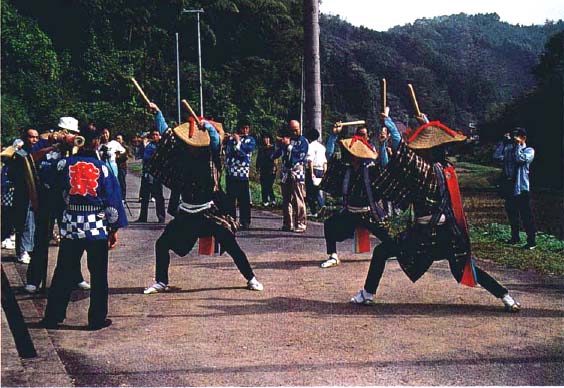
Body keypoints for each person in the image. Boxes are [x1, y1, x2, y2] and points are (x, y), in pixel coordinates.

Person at [350, 107, 521, 312]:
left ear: (427, 151)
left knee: (381, 251)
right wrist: (425, 122)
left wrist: (388, 123)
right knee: (465, 267)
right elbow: (416, 148)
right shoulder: (446, 168)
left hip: (424, 234)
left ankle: (367, 294)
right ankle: (505, 296)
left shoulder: (425, 170)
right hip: (447, 233)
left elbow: (401, 148)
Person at [143, 102, 263, 294]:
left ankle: (251, 278)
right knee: (162, 244)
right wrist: (158, 112)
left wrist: (206, 126)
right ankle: (161, 281)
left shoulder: (211, 156)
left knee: (231, 244)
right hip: (186, 212)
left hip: (209, 211)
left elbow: (215, 139)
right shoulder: (180, 155)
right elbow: (166, 135)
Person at [40, 124, 128, 330]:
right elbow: (113, 200)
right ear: (97, 141)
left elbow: (46, 179)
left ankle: (53, 316)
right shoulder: (103, 168)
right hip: (96, 224)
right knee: (98, 274)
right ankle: (96, 319)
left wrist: (60, 148)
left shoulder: (64, 164)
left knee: (63, 271)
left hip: (71, 223)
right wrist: (113, 229)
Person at [24, 117, 91, 294]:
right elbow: (30, 159)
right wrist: (54, 145)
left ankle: (75, 276)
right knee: (41, 239)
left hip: (69, 200)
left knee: (73, 240)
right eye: (66, 132)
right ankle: (34, 279)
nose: (70, 136)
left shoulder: (79, 149)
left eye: (73, 133)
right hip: (46, 196)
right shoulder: (44, 144)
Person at [320, 125, 390, 268]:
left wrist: (383, 145)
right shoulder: (346, 168)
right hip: (350, 212)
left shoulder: (371, 169)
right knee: (330, 225)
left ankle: (400, 252)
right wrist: (333, 136)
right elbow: (329, 155)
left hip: (369, 213)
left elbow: (385, 165)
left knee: (389, 240)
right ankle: (333, 256)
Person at [493, 128, 536, 249]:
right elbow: (496, 157)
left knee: (526, 215)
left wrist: (518, 146)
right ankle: (514, 237)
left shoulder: (529, 150)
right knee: (512, 213)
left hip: (521, 188)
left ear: (524, 138)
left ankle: (531, 241)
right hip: (509, 185)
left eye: (517, 136)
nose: (514, 138)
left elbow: (520, 159)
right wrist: (503, 143)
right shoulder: (508, 149)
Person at [272, 120, 309, 233]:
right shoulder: (287, 139)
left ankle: (301, 223)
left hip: (296, 173)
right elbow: (276, 154)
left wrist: (288, 146)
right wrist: (278, 145)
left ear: (300, 128)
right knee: (286, 200)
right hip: (285, 173)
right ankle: (287, 223)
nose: (294, 132)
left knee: (298, 199)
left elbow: (300, 155)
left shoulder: (303, 141)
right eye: (292, 130)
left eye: (296, 129)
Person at [224, 123, 256, 229]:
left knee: (244, 200)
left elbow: (244, 153)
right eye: (243, 128)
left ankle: (245, 221)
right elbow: (229, 152)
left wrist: (238, 142)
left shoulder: (250, 140)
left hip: (243, 174)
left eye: (247, 128)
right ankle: (231, 220)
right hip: (231, 174)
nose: (245, 130)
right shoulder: (231, 140)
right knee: (230, 199)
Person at [135, 128, 165, 223]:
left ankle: (161, 216)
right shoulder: (148, 145)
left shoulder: (161, 146)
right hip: (147, 174)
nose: (155, 137)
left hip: (156, 174)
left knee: (158, 196)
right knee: (145, 197)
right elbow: (141, 155)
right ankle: (143, 217)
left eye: (157, 135)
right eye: (154, 135)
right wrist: (143, 145)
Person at [256, 131, 277, 206]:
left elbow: (275, 158)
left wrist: (274, 167)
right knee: (263, 185)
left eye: (267, 138)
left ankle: (272, 199)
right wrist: (257, 168)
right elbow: (258, 159)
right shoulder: (261, 149)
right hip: (263, 168)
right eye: (264, 138)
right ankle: (265, 200)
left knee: (269, 184)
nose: (266, 139)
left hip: (271, 168)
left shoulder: (273, 148)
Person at [115, 133, 132, 201]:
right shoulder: (114, 146)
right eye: (117, 138)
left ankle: (123, 197)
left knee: (122, 181)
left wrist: (121, 156)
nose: (118, 140)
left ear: (122, 140)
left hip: (122, 166)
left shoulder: (125, 147)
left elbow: (129, 156)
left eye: (119, 139)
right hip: (115, 166)